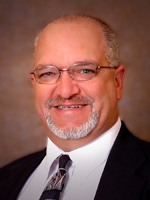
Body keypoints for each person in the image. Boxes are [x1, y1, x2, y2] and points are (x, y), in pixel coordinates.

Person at [0, 14, 150, 200]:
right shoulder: (6, 180)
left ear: (117, 82)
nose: (65, 92)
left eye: (85, 70)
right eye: (48, 73)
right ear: (34, 83)